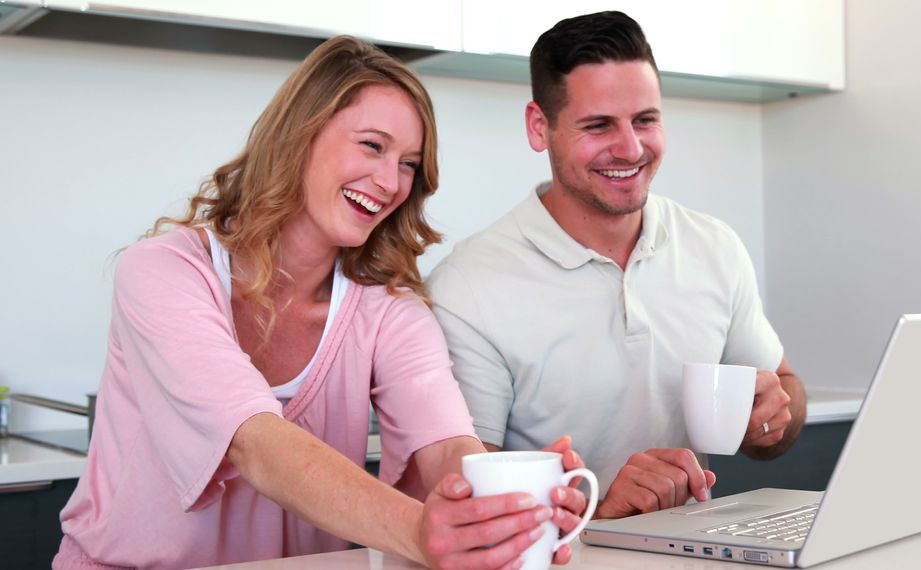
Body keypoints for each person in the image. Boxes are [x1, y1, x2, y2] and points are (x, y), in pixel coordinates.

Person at [54, 36, 587, 569]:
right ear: (299, 137)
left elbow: (446, 443)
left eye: (409, 164)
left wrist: (508, 505)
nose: (389, 182)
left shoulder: (389, 309)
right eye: (372, 146)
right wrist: (420, 531)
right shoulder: (164, 272)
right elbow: (254, 443)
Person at [426, 11, 807, 520]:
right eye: (599, 125)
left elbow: (782, 391)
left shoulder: (714, 247)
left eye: (645, 119)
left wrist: (773, 418)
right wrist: (600, 513)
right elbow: (472, 504)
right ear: (540, 128)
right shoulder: (467, 285)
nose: (630, 148)